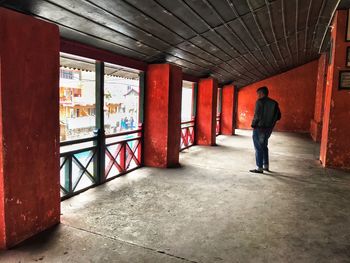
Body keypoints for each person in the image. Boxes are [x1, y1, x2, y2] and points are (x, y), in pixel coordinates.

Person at [250, 86, 281, 173]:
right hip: (268, 129)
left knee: (258, 148)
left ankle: (259, 168)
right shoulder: (274, 103)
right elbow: (279, 116)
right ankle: (265, 166)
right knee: (264, 147)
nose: (258, 95)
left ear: (261, 93)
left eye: (258, 94)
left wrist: (253, 125)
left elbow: (257, 115)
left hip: (259, 128)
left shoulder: (259, 102)